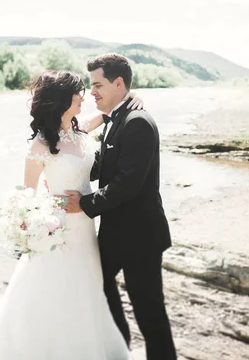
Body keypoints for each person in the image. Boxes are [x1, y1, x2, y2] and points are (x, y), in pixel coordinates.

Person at [0, 70, 144, 359]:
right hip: (58, 227)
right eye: (77, 93)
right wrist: (41, 220)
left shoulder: (80, 129)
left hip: (85, 225)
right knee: (53, 289)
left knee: (87, 288)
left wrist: (132, 97)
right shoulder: (40, 145)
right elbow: (27, 195)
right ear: (62, 99)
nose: (83, 97)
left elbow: (110, 114)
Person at [63, 54, 177, 360]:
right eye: (91, 85)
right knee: (98, 285)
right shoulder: (116, 118)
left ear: (118, 83)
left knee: (149, 311)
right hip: (115, 234)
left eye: (98, 85)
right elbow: (105, 167)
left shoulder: (137, 122)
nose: (93, 92)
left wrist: (84, 204)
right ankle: (119, 347)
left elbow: (128, 183)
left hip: (140, 236)